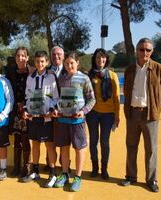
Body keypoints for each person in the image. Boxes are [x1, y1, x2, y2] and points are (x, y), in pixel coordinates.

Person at [120, 38, 161, 192]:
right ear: (137, 51)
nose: (145, 53)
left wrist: (155, 107)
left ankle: (151, 180)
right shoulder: (130, 69)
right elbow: (127, 90)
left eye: (148, 50)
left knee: (151, 149)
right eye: (142, 49)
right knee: (131, 146)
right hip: (133, 114)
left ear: (152, 52)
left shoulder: (160, 69)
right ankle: (131, 176)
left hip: (150, 115)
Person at [53, 51, 95, 192]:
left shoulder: (84, 79)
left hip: (78, 121)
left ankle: (77, 177)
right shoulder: (61, 79)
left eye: (72, 63)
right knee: (64, 148)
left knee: (79, 149)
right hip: (63, 120)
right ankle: (65, 173)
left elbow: (92, 99)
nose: (69, 65)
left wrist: (83, 111)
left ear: (77, 63)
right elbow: (57, 98)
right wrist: (57, 109)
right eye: (67, 63)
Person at [21, 51, 59, 188]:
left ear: (47, 62)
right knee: (35, 144)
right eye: (37, 61)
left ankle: (53, 173)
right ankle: (35, 171)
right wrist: (25, 110)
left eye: (42, 61)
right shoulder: (30, 78)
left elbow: (55, 97)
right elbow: (27, 96)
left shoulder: (51, 77)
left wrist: (51, 110)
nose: (40, 64)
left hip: (46, 118)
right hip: (33, 117)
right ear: (34, 62)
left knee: (49, 145)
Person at [86, 48, 120, 180]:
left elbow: (117, 98)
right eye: (98, 58)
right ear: (94, 60)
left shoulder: (112, 75)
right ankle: (95, 168)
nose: (101, 60)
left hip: (108, 114)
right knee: (93, 141)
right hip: (92, 113)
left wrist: (117, 116)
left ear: (106, 59)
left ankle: (104, 168)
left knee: (105, 142)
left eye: (103, 57)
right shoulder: (89, 75)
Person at [6, 47, 35, 178]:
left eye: (23, 55)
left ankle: (27, 167)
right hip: (15, 111)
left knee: (25, 139)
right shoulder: (10, 72)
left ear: (27, 57)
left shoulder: (33, 72)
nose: (20, 58)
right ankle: (16, 167)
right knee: (17, 139)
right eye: (18, 55)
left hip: (27, 111)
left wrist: (27, 107)